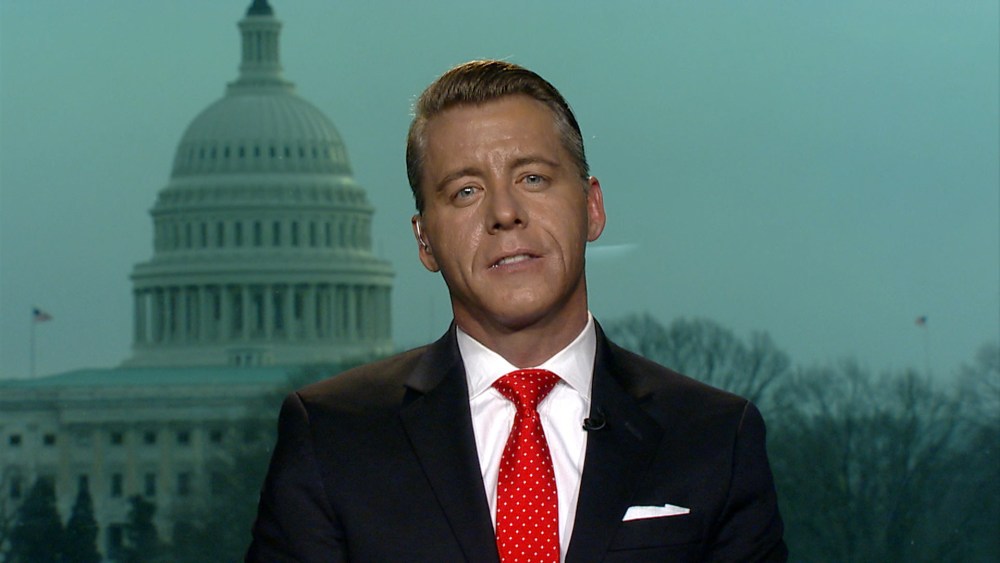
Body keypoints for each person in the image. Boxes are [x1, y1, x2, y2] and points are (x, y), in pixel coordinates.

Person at [246, 60, 787, 562]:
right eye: (465, 191)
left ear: (592, 206)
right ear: (424, 241)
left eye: (532, 178)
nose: (505, 213)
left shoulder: (715, 438)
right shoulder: (332, 437)